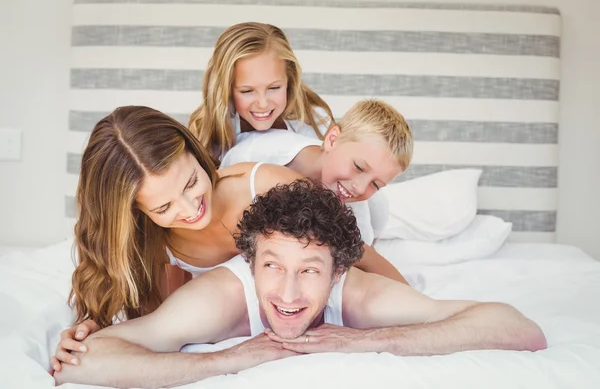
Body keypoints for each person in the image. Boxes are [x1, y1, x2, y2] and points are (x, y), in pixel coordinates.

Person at [54, 180, 547, 389]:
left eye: (310, 270)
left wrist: (368, 341)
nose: (288, 295)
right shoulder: (220, 297)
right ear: (250, 263)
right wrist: (226, 359)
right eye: (272, 266)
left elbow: (520, 329)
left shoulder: (361, 297)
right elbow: (82, 364)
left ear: (337, 272)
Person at [50, 105, 406, 372]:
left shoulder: (265, 187)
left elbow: (361, 255)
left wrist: (407, 303)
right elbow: (155, 326)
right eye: (163, 208)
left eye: (191, 182)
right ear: (137, 213)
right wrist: (90, 329)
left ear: (194, 152)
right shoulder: (153, 247)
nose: (191, 209)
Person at [220, 98, 412, 245]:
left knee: (378, 210)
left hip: (374, 213)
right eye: (359, 167)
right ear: (332, 139)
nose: (360, 188)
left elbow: (362, 253)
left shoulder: (357, 206)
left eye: (376, 184)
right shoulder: (257, 154)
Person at [187, 21, 334, 161]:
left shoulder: (316, 122)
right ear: (226, 89)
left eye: (274, 88)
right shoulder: (210, 135)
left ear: (290, 79)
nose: (263, 104)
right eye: (247, 91)